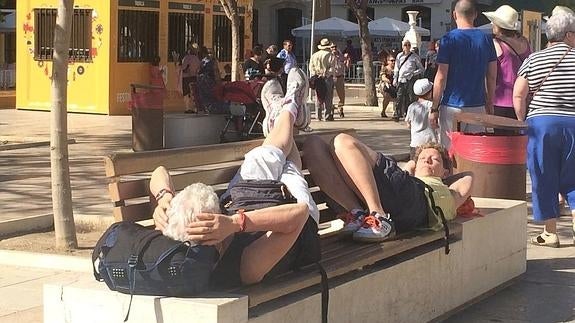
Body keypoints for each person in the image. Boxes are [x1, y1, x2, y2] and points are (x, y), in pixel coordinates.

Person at [151, 68, 319, 289]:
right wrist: (234, 223)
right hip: (291, 210)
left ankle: (285, 113)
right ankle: (288, 109)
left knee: (264, 155)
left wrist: (164, 199)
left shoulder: (180, 229)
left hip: (247, 192)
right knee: (289, 168)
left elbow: (159, 171)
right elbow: (300, 213)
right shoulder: (245, 264)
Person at [303, 135, 473, 242]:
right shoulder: (406, 178)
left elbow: (468, 175)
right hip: (395, 193)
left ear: (445, 172)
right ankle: (357, 213)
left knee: (343, 141)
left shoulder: (450, 193)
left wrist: (424, 170)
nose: (426, 160)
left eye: (434, 159)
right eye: (422, 157)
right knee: (313, 143)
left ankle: (379, 216)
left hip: (417, 200)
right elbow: (403, 177)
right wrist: (411, 166)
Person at [513, 12, 575, 248]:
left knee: (543, 176)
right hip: (574, 124)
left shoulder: (534, 59)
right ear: (568, 35)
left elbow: (518, 95)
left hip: (542, 125)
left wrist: (523, 121)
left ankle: (550, 233)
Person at [430, 0, 497, 149]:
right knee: (474, 152)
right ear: (475, 15)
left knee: (450, 153)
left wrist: (434, 108)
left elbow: (441, 77)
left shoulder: (448, 39)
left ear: (454, 14)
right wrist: (490, 101)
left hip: (452, 105)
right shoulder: (486, 39)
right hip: (478, 105)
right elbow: (492, 76)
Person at [483, 5, 531, 124]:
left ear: (499, 26)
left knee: (500, 141)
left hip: (500, 102)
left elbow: (492, 76)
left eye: (494, 22)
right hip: (522, 101)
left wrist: (488, 100)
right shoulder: (525, 43)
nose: (492, 24)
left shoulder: (496, 44)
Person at [405, 79, 439, 160]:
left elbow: (408, 124)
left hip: (415, 143)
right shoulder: (432, 106)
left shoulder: (411, 106)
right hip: (431, 143)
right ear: (430, 93)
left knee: (415, 164)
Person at [393, 39, 424, 122]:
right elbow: (396, 68)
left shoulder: (414, 56)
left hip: (410, 79)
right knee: (399, 97)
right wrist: (395, 78)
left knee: (410, 98)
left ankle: (408, 114)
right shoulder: (399, 56)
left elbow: (421, 68)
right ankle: (397, 113)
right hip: (401, 79)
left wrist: (413, 73)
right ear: (402, 46)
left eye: (408, 45)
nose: (407, 47)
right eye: (405, 45)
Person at [309, 38, 336, 121]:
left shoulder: (314, 55)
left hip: (317, 77)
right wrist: (325, 74)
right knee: (328, 96)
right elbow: (332, 68)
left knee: (319, 96)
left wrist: (317, 74)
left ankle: (318, 115)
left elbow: (311, 67)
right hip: (327, 78)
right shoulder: (330, 55)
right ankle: (327, 115)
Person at [179, 43, 201, 113]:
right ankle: (195, 108)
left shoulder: (186, 58)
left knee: (186, 93)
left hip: (186, 78)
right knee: (193, 93)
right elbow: (198, 69)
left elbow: (183, 68)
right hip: (194, 77)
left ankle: (187, 108)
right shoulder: (197, 59)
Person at [378, 52, 397, 118]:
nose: (393, 62)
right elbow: (383, 77)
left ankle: (395, 112)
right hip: (386, 86)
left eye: (394, 60)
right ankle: (383, 111)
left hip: (395, 85)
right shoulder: (385, 68)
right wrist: (387, 80)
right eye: (392, 60)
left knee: (398, 97)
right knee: (387, 97)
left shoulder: (397, 68)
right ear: (388, 61)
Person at [331, 43, 347, 118]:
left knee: (342, 95)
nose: (334, 48)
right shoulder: (329, 56)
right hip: (331, 77)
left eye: (335, 47)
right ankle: (331, 108)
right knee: (329, 95)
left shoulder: (341, 56)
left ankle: (340, 108)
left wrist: (347, 60)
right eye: (332, 47)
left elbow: (346, 66)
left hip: (339, 77)